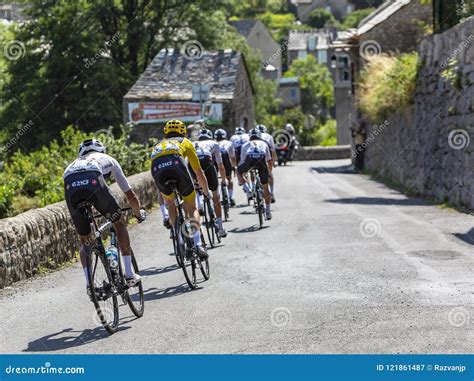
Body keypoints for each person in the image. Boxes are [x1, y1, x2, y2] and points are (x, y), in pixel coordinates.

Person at [63, 139, 146, 295]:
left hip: (70, 184)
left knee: (85, 240)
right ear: (101, 150)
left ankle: (90, 284)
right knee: (119, 223)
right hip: (93, 179)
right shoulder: (108, 160)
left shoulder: (71, 165)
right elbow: (130, 195)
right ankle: (129, 274)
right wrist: (138, 213)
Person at [150, 119, 210, 259]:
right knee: (191, 208)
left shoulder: (157, 145)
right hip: (178, 166)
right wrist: (206, 192)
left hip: (158, 170)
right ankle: (197, 244)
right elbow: (198, 171)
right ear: (183, 131)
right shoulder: (185, 142)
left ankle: (179, 240)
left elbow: (153, 171)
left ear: (165, 132)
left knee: (171, 204)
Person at [192, 128, 227, 238]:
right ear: (210, 136)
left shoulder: (192, 143)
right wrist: (224, 180)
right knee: (215, 196)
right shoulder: (214, 143)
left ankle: (200, 203)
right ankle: (220, 228)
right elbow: (220, 165)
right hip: (207, 160)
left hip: (193, 164)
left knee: (194, 190)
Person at [237, 128, 273, 220]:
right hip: (261, 160)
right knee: (265, 187)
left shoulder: (245, 144)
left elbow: (242, 161)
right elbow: (269, 160)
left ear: (250, 136)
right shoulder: (264, 143)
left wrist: (242, 173)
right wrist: (269, 172)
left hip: (250, 160)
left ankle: (248, 191)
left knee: (239, 171)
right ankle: (268, 212)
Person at [214, 128, 237, 206]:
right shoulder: (229, 143)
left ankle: (216, 197)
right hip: (225, 157)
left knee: (215, 179)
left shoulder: (213, 143)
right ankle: (230, 197)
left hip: (216, 160)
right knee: (229, 179)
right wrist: (234, 167)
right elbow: (232, 157)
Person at [256, 124, 277, 203]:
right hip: (266, 156)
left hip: (254, 158)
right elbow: (273, 151)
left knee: (253, 172)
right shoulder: (268, 136)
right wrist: (274, 162)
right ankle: (271, 193)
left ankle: (254, 189)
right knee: (269, 174)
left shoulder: (253, 135)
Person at [230, 127, 251, 201]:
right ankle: (253, 186)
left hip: (237, 151)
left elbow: (232, 151)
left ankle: (247, 189)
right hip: (247, 151)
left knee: (238, 170)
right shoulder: (247, 135)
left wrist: (234, 165)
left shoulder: (233, 137)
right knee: (251, 169)